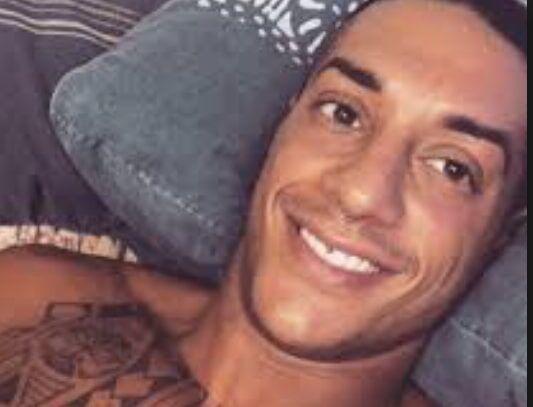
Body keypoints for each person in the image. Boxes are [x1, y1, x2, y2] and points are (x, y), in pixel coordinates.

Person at [0, 0, 527, 405]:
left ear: (502, 233)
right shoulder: (34, 296)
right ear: (283, 123)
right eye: (343, 113)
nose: (362, 193)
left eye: (452, 167)